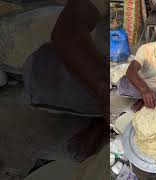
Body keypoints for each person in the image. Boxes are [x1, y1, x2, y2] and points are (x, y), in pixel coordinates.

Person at [23, 0, 108, 160]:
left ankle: (105, 117)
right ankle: (101, 116)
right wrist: (103, 89)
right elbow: (68, 31)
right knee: (39, 76)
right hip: (103, 66)